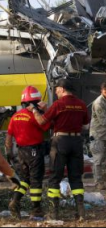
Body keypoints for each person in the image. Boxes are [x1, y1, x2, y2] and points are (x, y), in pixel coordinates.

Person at [30, 79, 90, 221]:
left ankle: (54, 212)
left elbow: (42, 122)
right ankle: (81, 212)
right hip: (76, 142)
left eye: (56, 90)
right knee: (76, 178)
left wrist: (33, 109)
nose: (56, 92)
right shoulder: (81, 104)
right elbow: (86, 125)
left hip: (60, 142)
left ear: (62, 89)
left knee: (54, 178)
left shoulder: (58, 104)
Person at [6, 86, 50, 219]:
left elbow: (8, 138)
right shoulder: (34, 116)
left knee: (26, 179)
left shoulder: (15, 116)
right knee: (36, 180)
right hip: (34, 151)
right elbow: (47, 125)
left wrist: (9, 154)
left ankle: (15, 200)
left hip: (21, 152)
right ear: (35, 102)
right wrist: (45, 110)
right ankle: (36, 209)